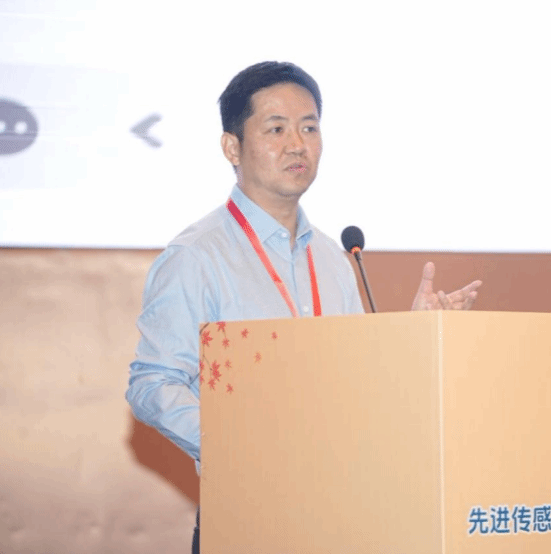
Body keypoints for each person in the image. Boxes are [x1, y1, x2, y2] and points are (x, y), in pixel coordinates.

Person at [126, 61, 482, 553]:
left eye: (309, 128)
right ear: (232, 147)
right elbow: (152, 384)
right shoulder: (197, 256)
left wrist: (412, 340)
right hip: (247, 514)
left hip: (338, 513)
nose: (297, 144)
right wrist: (241, 448)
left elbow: (356, 386)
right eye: (276, 129)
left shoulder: (334, 259)